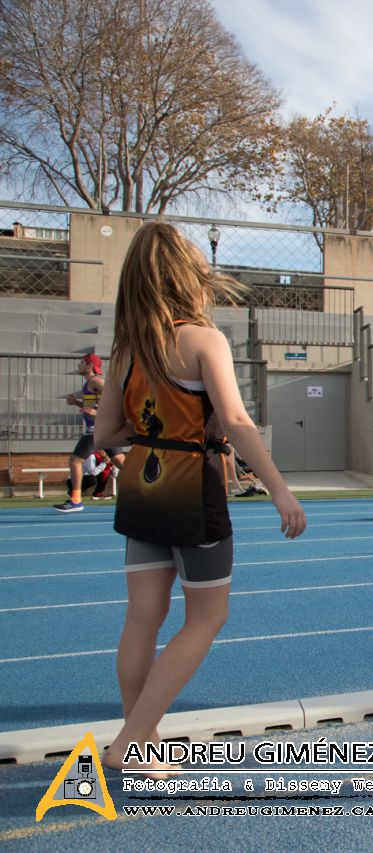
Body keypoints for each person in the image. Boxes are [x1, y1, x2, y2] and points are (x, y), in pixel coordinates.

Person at [92, 222, 306, 777]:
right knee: (207, 617)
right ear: (187, 275)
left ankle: (137, 737)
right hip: (192, 481)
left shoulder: (125, 351)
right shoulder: (202, 338)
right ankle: (131, 741)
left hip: (140, 480)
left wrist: (155, 421)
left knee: (142, 618)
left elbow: (105, 437)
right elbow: (235, 420)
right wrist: (279, 489)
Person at [54, 354, 127, 512]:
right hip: (103, 429)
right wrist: (77, 403)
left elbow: (116, 398)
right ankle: (152, 489)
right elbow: (94, 405)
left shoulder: (96, 381)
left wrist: (95, 413)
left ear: (89, 366)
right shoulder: (89, 384)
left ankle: (76, 500)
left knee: (75, 461)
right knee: (123, 464)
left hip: (97, 429)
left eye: (82, 363)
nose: (79, 365)